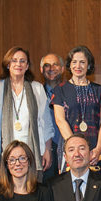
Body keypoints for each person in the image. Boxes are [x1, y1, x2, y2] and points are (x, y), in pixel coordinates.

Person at [0, 47, 53, 179]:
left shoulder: (36, 88)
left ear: (27, 66)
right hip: (5, 152)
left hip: (31, 151)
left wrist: (48, 150)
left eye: (22, 61)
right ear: (8, 64)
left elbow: (46, 122)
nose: (18, 64)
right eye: (14, 60)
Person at [51, 46, 101, 174]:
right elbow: (60, 120)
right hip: (70, 149)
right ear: (69, 65)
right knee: (70, 189)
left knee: (98, 189)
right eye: (74, 62)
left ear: (88, 65)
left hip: (95, 149)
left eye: (82, 62)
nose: (78, 66)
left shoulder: (99, 90)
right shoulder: (60, 90)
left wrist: (98, 148)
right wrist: (76, 149)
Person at [40, 53, 65, 181]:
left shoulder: (69, 91)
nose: (51, 68)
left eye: (55, 65)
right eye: (47, 65)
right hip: (45, 149)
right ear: (41, 70)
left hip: (67, 147)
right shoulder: (36, 92)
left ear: (62, 68)